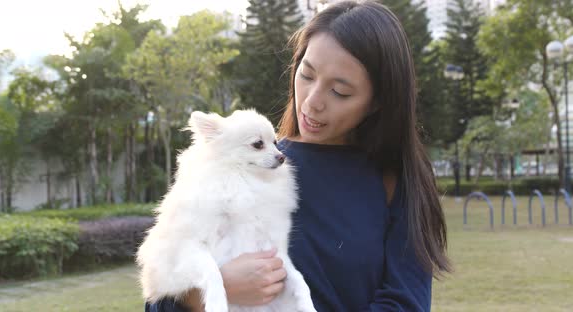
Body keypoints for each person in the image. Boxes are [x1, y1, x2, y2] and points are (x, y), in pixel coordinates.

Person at [146, 1, 450, 311]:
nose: (313, 101)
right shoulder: (244, 165)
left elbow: (406, 303)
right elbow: (158, 298)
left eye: (340, 92)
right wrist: (211, 292)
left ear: (377, 101)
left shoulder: (395, 181)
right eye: (306, 75)